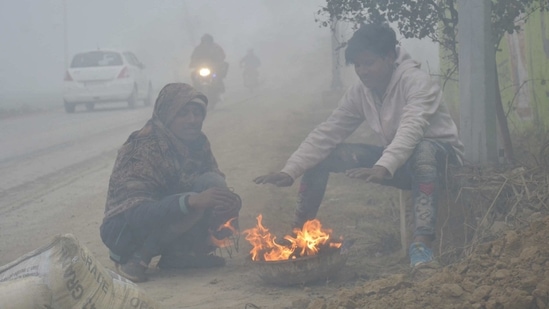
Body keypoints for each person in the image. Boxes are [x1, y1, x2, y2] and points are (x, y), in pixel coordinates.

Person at [254, 23, 464, 268]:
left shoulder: (416, 82)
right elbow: (328, 131)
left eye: (369, 63)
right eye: (357, 65)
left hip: (441, 162)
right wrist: (290, 170)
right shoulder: (360, 92)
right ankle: (298, 236)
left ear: (389, 57)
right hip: (398, 163)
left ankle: (422, 247)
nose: (363, 71)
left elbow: (412, 130)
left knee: (423, 149)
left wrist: (383, 166)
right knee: (325, 154)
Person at [100, 83, 241, 282]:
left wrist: (227, 202)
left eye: (197, 113)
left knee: (214, 184)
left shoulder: (199, 143)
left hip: (169, 213)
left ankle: (182, 255)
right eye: (183, 113)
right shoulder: (142, 147)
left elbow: (212, 187)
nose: (193, 120)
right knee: (194, 201)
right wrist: (191, 202)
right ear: (167, 115)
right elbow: (137, 213)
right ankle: (139, 257)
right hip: (125, 232)